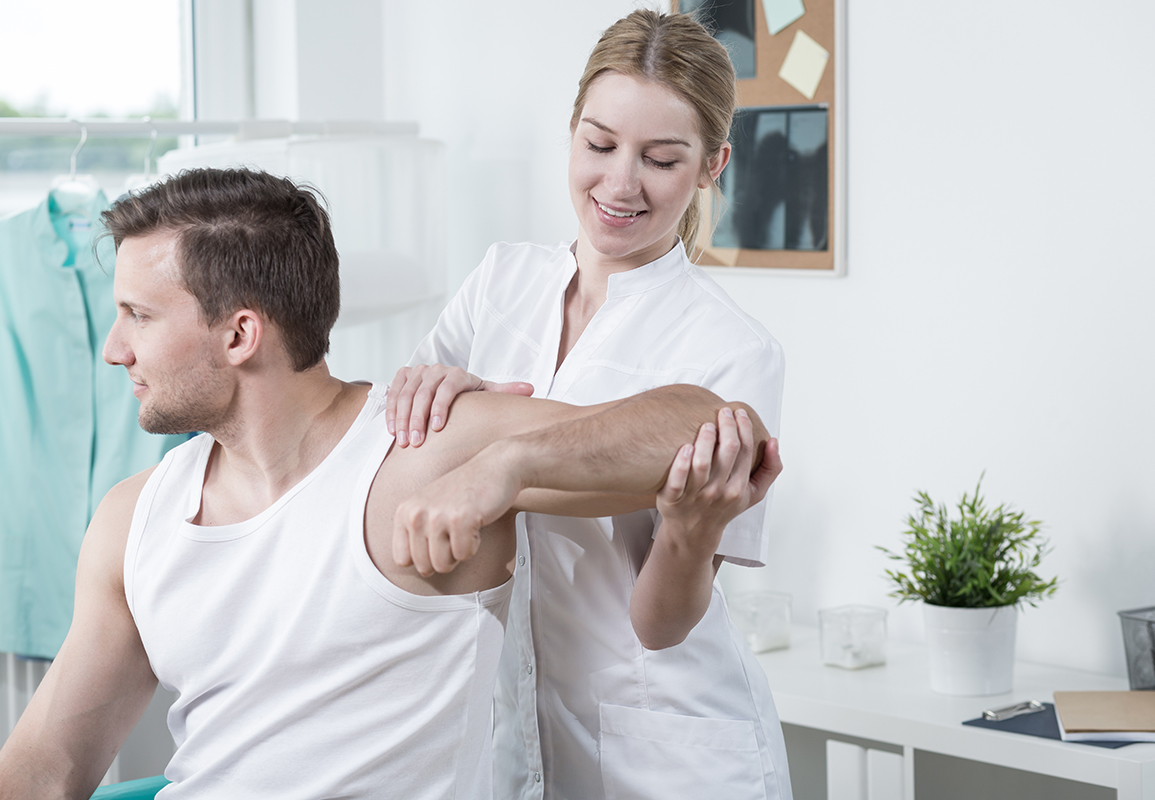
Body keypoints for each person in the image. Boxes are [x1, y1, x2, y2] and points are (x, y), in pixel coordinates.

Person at [0, 167, 779, 800]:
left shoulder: (421, 453)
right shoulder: (134, 519)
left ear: (240, 334)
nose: (113, 349)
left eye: (137, 316)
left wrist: (503, 467)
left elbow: (706, 424)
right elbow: (46, 768)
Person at [386, 9, 791, 800]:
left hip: (670, 752)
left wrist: (688, 530)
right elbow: (407, 455)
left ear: (712, 166)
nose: (619, 184)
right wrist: (421, 388)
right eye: (599, 145)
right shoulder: (499, 282)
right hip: (514, 733)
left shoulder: (731, 349)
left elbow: (662, 626)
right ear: (571, 130)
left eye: (661, 159)